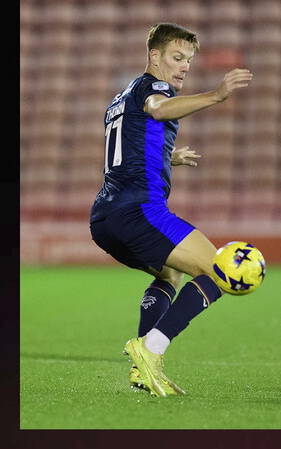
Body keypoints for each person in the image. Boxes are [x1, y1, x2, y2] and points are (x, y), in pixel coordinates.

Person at [90, 22, 253, 397]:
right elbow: (160, 110)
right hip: (139, 211)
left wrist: (167, 158)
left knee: (170, 276)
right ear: (154, 56)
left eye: (189, 61)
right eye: (177, 58)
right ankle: (150, 349)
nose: (184, 67)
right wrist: (216, 95)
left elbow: (127, 146)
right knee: (220, 272)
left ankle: (142, 370)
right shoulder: (152, 86)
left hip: (104, 218)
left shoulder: (121, 96)